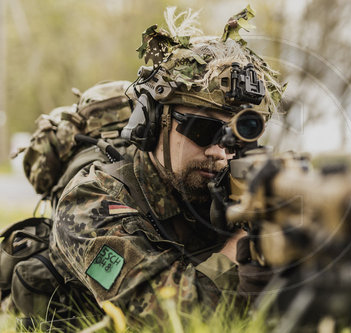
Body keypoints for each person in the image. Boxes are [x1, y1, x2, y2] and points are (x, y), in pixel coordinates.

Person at [47, 6, 284, 325]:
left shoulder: (242, 184)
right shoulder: (89, 203)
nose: (219, 152)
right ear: (154, 122)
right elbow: (169, 320)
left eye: (237, 136)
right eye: (201, 130)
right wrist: (242, 250)